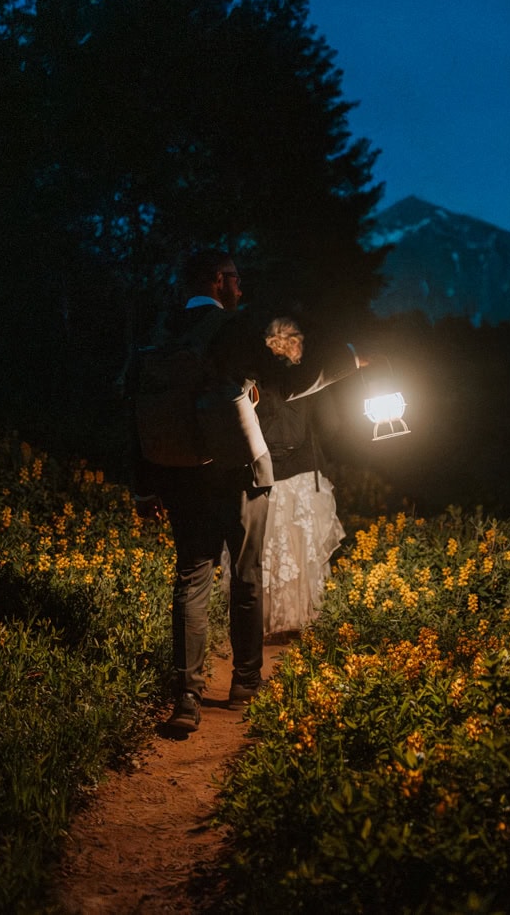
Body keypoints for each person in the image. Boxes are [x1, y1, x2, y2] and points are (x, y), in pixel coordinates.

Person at [132, 249, 273, 733]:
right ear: (218, 280)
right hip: (238, 472)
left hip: (180, 472)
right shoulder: (233, 328)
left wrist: (143, 483)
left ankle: (186, 696)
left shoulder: (160, 330)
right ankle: (245, 683)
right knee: (246, 575)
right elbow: (280, 380)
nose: (240, 287)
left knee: (191, 577)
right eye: (235, 278)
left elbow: (137, 405)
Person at [250, 317, 361, 635]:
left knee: (267, 552)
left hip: (264, 476)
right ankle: (299, 621)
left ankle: (261, 621)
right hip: (302, 476)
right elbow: (331, 425)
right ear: (296, 343)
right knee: (302, 551)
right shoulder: (309, 381)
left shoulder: (255, 380)